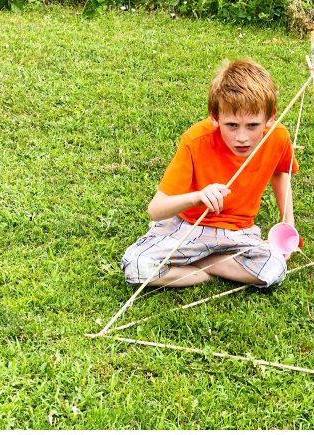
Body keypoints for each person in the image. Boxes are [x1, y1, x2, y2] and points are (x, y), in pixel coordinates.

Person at [122, 59, 298, 291]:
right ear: (215, 116)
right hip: (188, 226)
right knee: (136, 265)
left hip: (238, 232)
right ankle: (210, 269)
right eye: (231, 125)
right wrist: (197, 197)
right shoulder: (195, 140)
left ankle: (205, 262)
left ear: (270, 117)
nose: (242, 137)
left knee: (274, 269)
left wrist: (288, 223)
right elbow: (155, 210)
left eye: (253, 125)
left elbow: (280, 173)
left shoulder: (277, 136)